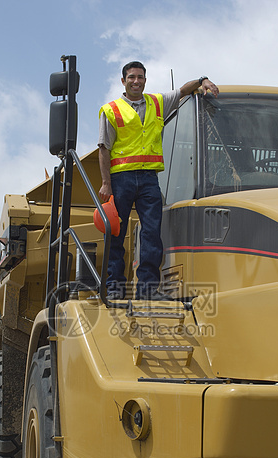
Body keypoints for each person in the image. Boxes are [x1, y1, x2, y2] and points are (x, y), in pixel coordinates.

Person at [98, 61, 219, 301]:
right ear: (123, 81)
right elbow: (104, 148)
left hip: (149, 179)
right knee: (116, 234)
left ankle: (148, 289)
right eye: (131, 77)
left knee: (152, 233)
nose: (136, 81)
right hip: (121, 179)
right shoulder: (111, 110)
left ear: (145, 80)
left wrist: (203, 80)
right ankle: (114, 287)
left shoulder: (157, 102)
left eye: (140, 77)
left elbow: (184, 91)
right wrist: (105, 183)